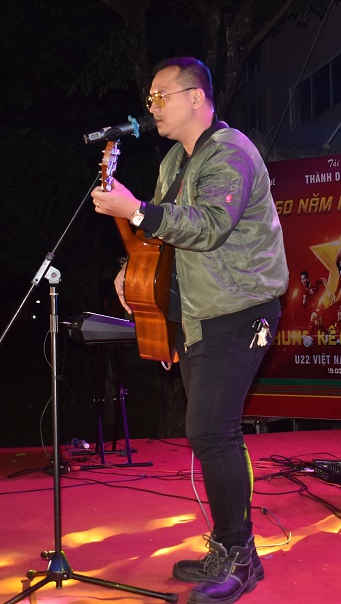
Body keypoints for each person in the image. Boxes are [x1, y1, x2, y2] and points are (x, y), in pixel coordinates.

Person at [91, 56, 288, 604]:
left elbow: (209, 226)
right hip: (202, 312)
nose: (152, 106)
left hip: (241, 310)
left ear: (195, 97)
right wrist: (131, 270)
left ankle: (241, 556)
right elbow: (164, 238)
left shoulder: (230, 153)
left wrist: (135, 210)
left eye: (161, 96)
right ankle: (227, 546)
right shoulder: (176, 158)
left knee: (210, 431)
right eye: (150, 98)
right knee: (210, 431)